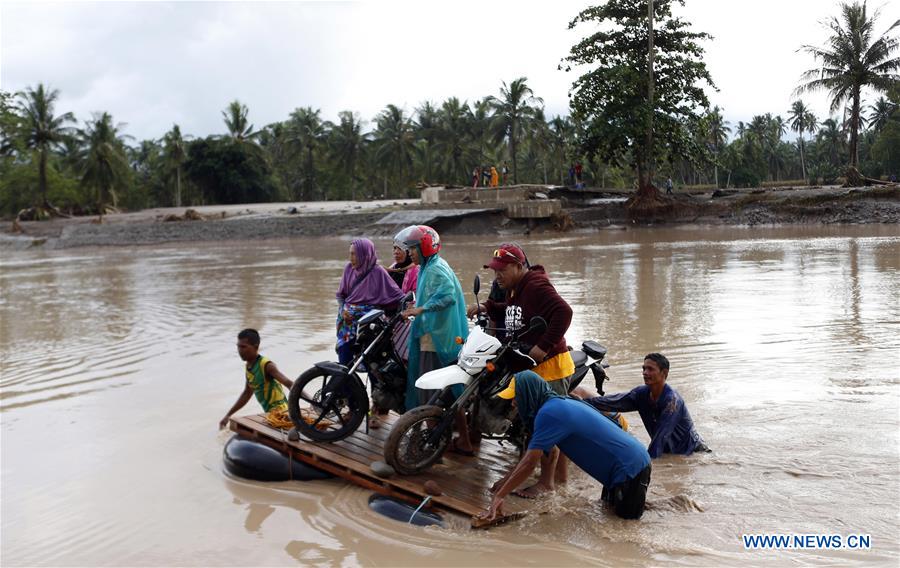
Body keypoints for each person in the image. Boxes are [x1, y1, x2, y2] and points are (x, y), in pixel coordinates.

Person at [467, 244, 575, 495]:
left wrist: (543, 346)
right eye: (495, 272)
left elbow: (564, 312)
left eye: (502, 270)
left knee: (546, 425)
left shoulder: (536, 285)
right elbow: (515, 313)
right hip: (530, 367)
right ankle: (554, 479)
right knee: (533, 424)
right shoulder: (516, 288)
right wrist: (488, 307)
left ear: (519, 266)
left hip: (550, 368)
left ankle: (546, 484)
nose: (498, 276)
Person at [478, 372, 651, 522]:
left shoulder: (549, 414)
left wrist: (500, 496)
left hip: (630, 469)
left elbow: (530, 463)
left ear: (529, 393)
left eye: (517, 396)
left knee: (625, 529)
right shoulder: (558, 403)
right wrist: (507, 481)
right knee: (610, 516)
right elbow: (534, 457)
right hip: (625, 467)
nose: (514, 403)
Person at [396, 226, 468, 416]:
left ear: (425, 247)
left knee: (430, 390)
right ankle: (458, 437)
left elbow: (447, 295)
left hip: (436, 340)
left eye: (412, 248)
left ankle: (431, 434)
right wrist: (417, 306)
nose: (409, 253)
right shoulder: (429, 266)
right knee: (448, 390)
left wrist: (422, 309)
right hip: (437, 335)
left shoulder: (434, 268)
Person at [584, 353, 709, 458]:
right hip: (670, 452)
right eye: (643, 368)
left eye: (650, 369)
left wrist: (647, 465)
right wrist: (582, 402)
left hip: (694, 453)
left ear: (664, 373)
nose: (645, 372)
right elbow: (610, 402)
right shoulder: (641, 394)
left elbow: (660, 438)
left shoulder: (672, 401)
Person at [335, 238, 404, 366]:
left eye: (354, 254)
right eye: (350, 254)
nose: (351, 258)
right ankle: (345, 386)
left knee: (372, 359)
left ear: (364, 254)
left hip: (370, 325)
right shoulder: (349, 269)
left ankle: (376, 385)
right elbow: (340, 296)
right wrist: (343, 310)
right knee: (344, 359)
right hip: (348, 323)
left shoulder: (378, 272)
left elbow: (398, 297)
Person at [219, 329, 295, 430]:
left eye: (243, 347)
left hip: (281, 415)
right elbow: (247, 393)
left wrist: (312, 401)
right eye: (238, 346)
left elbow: (290, 384)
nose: (240, 350)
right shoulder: (249, 367)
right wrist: (228, 415)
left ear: (256, 347)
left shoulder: (267, 365)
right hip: (270, 415)